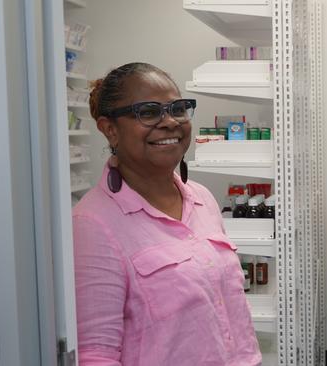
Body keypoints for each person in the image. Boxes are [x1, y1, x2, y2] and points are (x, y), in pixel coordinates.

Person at [73, 62, 262, 365]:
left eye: (177, 108)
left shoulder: (201, 199)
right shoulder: (93, 225)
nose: (170, 122)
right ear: (110, 129)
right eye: (147, 112)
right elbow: (95, 355)